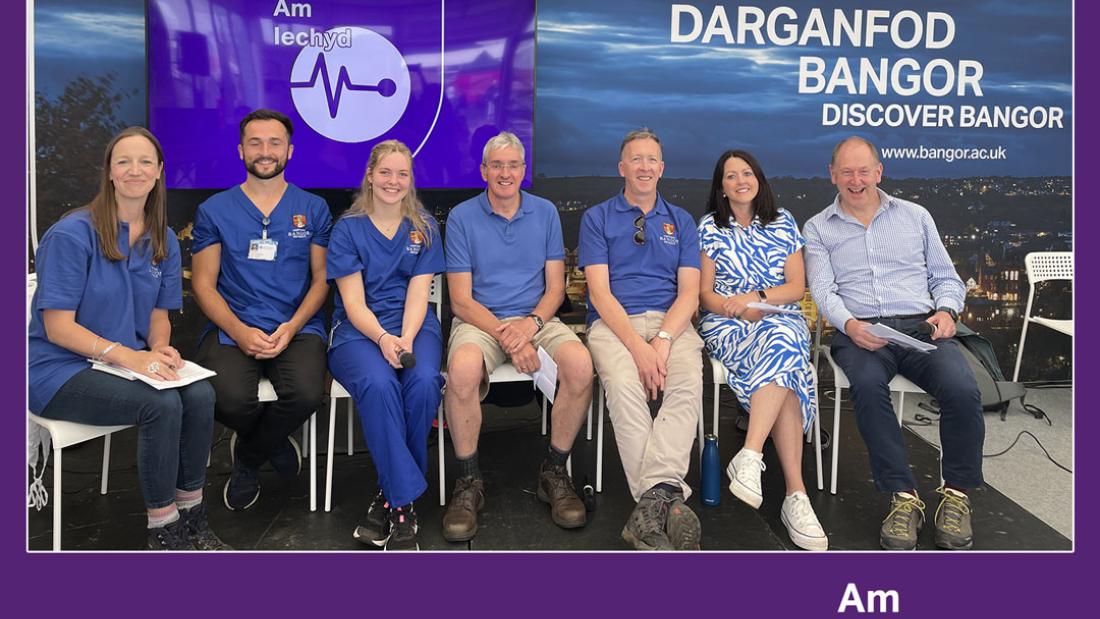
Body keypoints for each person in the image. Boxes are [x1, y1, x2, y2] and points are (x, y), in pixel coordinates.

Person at [28, 127, 226, 550]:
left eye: (145, 162)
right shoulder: (71, 234)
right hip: (58, 369)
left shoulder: (164, 239)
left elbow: (159, 316)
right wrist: (128, 358)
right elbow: (57, 328)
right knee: (161, 403)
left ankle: (192, 512)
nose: (135, 170)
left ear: (158, 173)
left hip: (119, 364)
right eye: (124, 161)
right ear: (110, 173)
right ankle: (164, 528)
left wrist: (156, 348)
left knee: (201, 395)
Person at [803, 136, 982, 551]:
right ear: (832, 175)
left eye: (863, 170)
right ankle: (903, 497)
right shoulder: (818, 227)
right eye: (846, 171)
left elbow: (945, 276)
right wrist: (849, 324)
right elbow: (824, 291)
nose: (856, 179)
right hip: (859, 331)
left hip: (921, 326)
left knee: (962, 388)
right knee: (866, 387)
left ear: (879, 172)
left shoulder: (915, 216)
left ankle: (956, 494)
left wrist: (947, 311)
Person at [442, 131, 593, 542]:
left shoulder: (544, 213)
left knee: (581, 365)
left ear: (524, 171)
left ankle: (554, 471)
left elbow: (555, 290)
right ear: (484, 171)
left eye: (513, 165)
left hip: (536, 320)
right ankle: (468, 481)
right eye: (497, 165)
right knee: (462, 370)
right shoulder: (461, 217)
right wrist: (510, 337)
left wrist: (530, 327)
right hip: (481, 321)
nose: (505, 173)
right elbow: (460, 300)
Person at [191, 109, 332, 511]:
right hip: (232, 328)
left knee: (306, 394)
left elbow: (321, 279)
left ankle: (249, 457)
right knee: (229, 399)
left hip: (297, 326)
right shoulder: (215, 210)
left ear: (290, 150)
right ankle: (271, 443)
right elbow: (203, 284)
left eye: (275, 142)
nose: (265, 151)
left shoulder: (314, 208)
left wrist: (292, 326)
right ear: (240, 150)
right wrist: (238, 331)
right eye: (255, 142)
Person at [579, 128, 703, 550]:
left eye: (652, 159)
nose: (644, 167)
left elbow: (689, 293)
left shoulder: (682, 221)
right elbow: (599, 292)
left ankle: (651, 506)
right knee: (624, 387)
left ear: (662, 168)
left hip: (672, 323)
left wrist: (664, 340)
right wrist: (638, 347)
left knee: (687, 385)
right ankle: (666, 496)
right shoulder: (597, 217)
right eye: (636, 159)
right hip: (616, 324)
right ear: (622, 167)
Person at [697, 149, 827, 551]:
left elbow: (795, 287)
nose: (740, 181)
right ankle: (795, 494)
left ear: (759, 179)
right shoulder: (709, 227)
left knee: (784, 341)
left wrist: (757, 298)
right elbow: (705, 295)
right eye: (731, 175)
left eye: (747, 173)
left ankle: (751, 455)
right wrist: (734, 307)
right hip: (728, 321)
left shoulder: (783, 221)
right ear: (721, 187)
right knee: (787, 361)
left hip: (776, 314)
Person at [326, 141, 444, 551]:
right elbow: (354, 303)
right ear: (371, 176)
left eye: (403, 174)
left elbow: (418, 295)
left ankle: (388, 495)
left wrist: (406, 338)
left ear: (410, 181)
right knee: (379, 384)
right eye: (386, 172)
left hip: (413, 325)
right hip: (359, 331)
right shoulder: (347, 229)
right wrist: (382, 339)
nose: (394, 181)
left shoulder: (424, 227)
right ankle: (403, 500)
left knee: (425, 380)